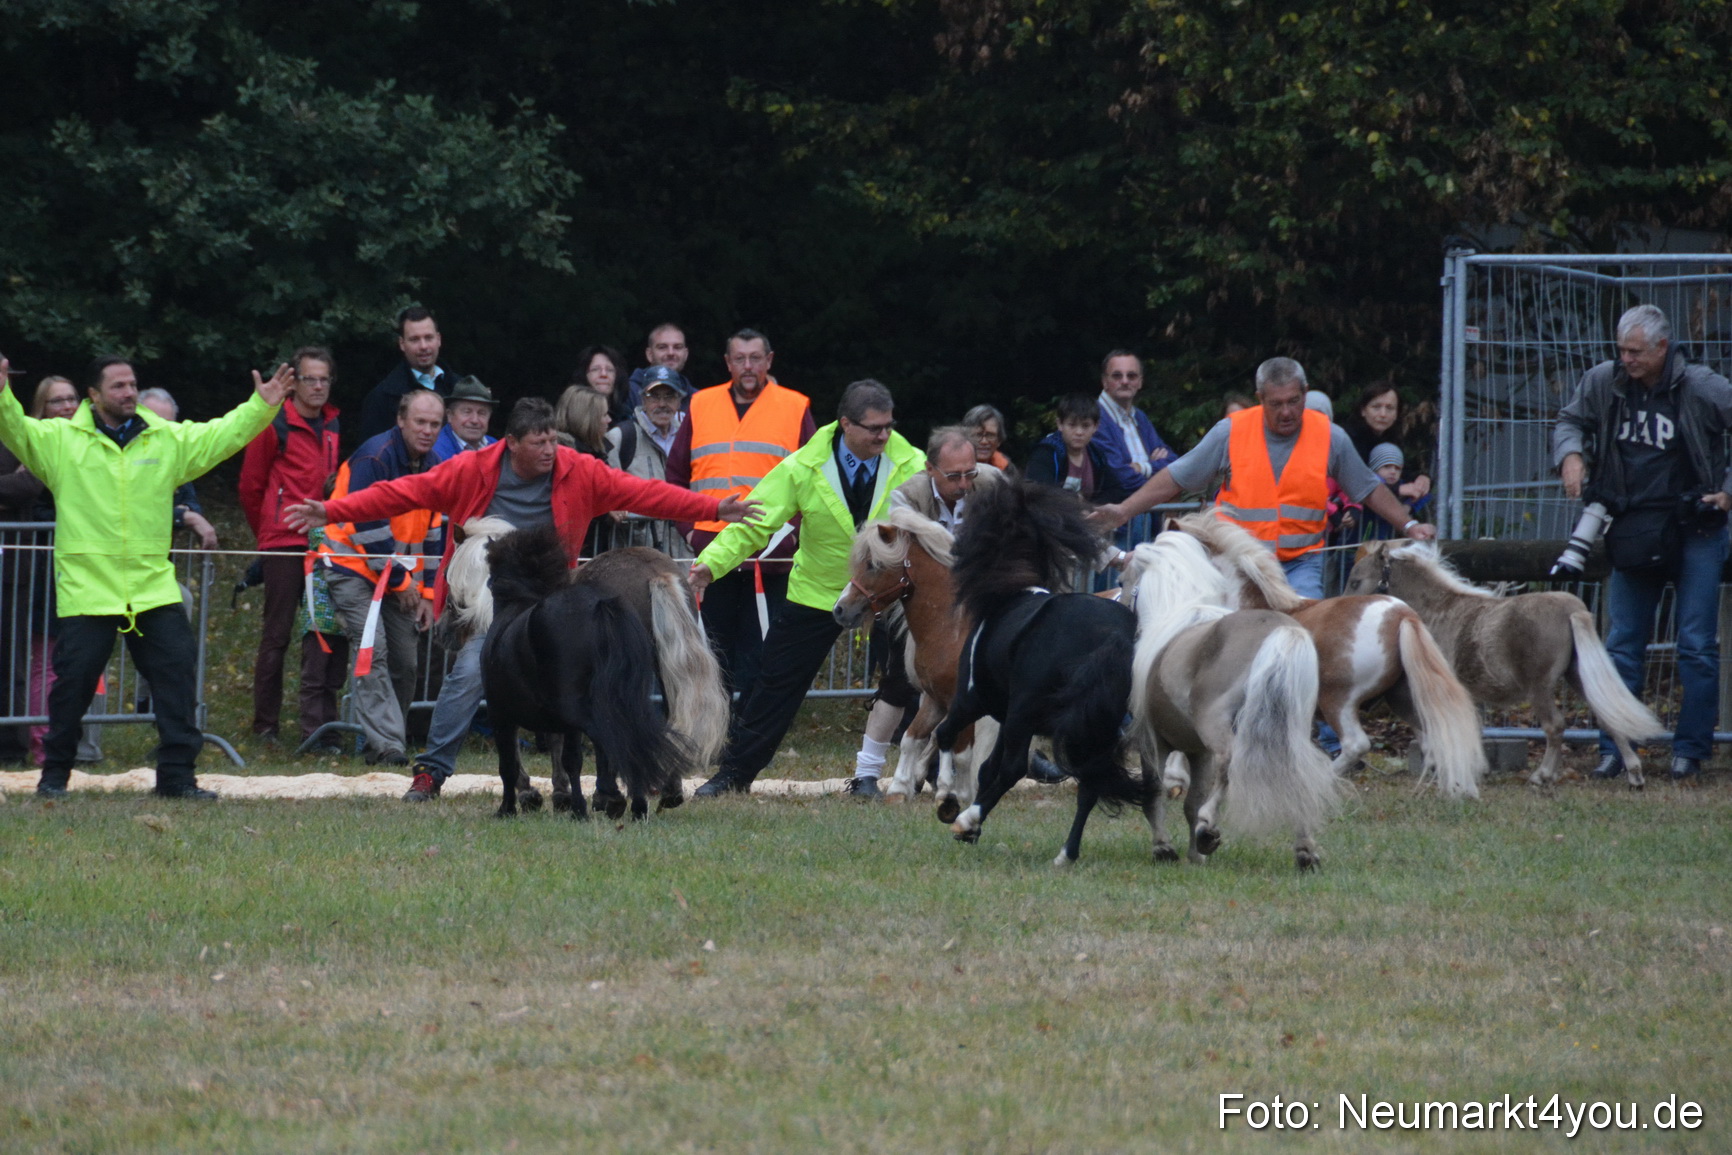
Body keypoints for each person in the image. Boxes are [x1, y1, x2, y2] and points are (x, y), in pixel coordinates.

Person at [283, 396, 757, 802]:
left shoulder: (580, 470)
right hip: (494, 597)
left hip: (555, 596)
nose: (551, 450)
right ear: (511, 444)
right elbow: (400, 493)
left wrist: (715, 507)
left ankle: (624, 770)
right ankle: (432, 771)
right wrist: (330, 509)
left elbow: (649, 494)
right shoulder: (468, 471)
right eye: (539, 443)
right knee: (470, 671)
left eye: (554, 439)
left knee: (602, 669)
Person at [0, 353, 292, 799]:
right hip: (88, 589)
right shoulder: (59, 441)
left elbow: (220, 436)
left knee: (176, 684)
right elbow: (15, 428)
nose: (129, 392)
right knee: (71, 692)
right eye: (117, 386)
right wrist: (2, 391)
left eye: (132, 384)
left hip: (151, 587)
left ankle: (177, 779)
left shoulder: (165, 439)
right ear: (94, 395)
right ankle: (54, 778)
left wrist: (261, 406)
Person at [691, 379, 924, 799]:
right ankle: (734, 775)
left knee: (918, 677)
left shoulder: (913, 463)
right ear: (846, 425)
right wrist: (711, 564)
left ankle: (936, 765)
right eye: (874, 428)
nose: (884, 435)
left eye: (889, 426)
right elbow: (755, 522)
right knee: (774, 683)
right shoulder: (802, 466)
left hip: (891, 594)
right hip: (817, 590)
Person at [1554, 303, 1732, 783]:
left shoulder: (1702, 386)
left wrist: (1727, 489)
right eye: (1621, 350)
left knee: (1695, 645)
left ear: (1662, 347)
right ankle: (1615, 747)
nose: (1627, 360)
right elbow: (1569, 420)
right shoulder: (1604, 381)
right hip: (1631, 526)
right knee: (1622, 645)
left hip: (1696, 527)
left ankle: (1690, 751)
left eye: (1636, 352)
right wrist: (1571, 455)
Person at [1095, 356, 1435, 600]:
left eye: (1294, 401)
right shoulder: (1231, 431)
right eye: (1276, 404)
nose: (1286, 412)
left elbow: (1368, 488)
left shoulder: (1330, 436)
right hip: (1237, 561)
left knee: (1304, 638)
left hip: (1301, 562)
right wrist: (1124, 511)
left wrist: (1408, 527)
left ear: (1305, 392)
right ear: (1260, 399)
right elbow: (1176, 477)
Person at [845, 426, 1009, 794]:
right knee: (901, 679)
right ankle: (868, 772)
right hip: (924, 596)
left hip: (983, 588)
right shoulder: (906, 497)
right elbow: (899, 555)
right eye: (954, 476)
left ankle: (1017, 747)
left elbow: (1015, 531)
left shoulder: (994, 482)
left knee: (1011, 658)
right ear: (930, 469)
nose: (965, 483)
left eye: (971, 472)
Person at [666, 329, 815, 705]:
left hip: (771, 554)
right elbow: (676, 474)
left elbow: (815, 479)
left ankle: (750, 731)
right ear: (727, 363)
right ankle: (713, 729)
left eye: (755, 358)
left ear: (769, 360)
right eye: (739, 358)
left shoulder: (794, 406)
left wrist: (792, 534)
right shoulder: (701, 404)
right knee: (710, 650)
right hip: (710, 550)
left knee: (762, 649)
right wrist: (687, 531)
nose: (747, 367)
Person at [317, 390, 447, 766]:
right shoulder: (374, 456)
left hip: (396, 576)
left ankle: (383, 741)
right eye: (420, 422)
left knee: (406, 662)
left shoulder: (436, 465)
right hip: (352, 567)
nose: (427, 430)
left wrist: (425, 594)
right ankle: (389, 745)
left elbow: (435, 533)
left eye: (434, 424)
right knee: (373, 649)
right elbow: (368, 527)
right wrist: (403, 584)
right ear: (402, 420)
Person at [238, 346, 342, 743]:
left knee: (323, 631)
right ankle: (265, 726)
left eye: (324, 379)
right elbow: (250, 484)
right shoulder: (274, 422)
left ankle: (319, 727)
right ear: (294, 382)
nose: (317, 387)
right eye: (310, 378)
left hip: (323, 540)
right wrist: (267, 532)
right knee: (276, 633)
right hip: (283, 539)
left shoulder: (333, 424)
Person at [607, 368, 691, 557]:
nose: (662, 404)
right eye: (654, 396)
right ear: (643, 399)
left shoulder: (690, 437)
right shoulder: (620, 437)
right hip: (636, 555)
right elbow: (602, 489)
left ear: (679, 400)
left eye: (669, 396)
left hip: (683, 554)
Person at [356, 306, 454, 443]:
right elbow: (371, 457)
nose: (423, 346)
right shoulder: (382, 398)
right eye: (415, 339)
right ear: (402, 344)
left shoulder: (459, 389)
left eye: (428, 337)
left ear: (439, 339)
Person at [1024, 392, 1130, 507]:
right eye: (1072, 425)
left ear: (1095, 427)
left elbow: (1116, 489)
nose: (1079, 432)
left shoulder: (1096, 455)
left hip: (1086, 521)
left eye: (1085, 426)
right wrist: (1074, 499)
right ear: (1060, 424)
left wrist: (1091, 508)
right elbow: (1039, 492)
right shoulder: (1046, 453)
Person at [1340, 383, 1432, 503]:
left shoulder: (1392, 439)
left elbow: (1404, 472)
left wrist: (1422, 478)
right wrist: (1397, 489)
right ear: (1363, 410)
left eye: (1389, 408)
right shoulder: (1347, 438)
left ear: (1396, 413)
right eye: (1376, 407)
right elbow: (1353, 481)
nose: (1383, 414)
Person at [626, 322, 694, 409]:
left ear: (685, 354)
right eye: (662, 347)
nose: (671, 353)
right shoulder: (629, 393)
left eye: (677, 347)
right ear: (649, 354)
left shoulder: (697, 398)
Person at [430, 375, 496, 462]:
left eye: (482, 413)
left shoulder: (496, 447)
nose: (474, 420)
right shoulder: (435, 452)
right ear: (449, 415)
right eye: (467, 412)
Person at [573, 344, 632, 428]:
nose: (603, 374)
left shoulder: (627, 416)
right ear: (583, 375)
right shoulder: (573, 416)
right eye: (595, 369)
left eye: (609, 370)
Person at [961, 403, 1015, 476]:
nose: (984, 441)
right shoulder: (952, 468)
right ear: (965, 437)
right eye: (978, 435)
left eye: (990, 435)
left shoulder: (1007, 470)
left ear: (999, 440)